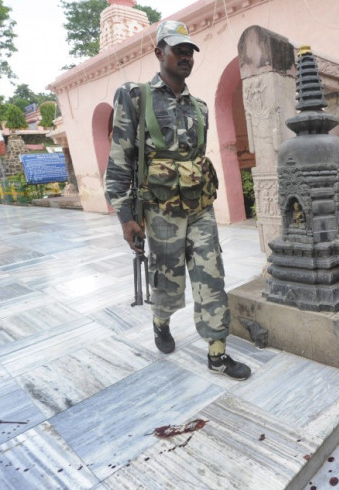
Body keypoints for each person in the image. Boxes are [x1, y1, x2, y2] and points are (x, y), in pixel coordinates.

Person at [104, 20, 250, 380]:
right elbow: (120, 158)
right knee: (168, 284)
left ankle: (217, 353)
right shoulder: (134, 96)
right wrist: (126, 217)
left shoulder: (199, 107)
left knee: (211, 278)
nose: (185, 56)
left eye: (189, 51)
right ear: (159, 53)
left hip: (200, 208)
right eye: (177, 50)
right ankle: (161, 320)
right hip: (159, 212)